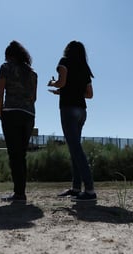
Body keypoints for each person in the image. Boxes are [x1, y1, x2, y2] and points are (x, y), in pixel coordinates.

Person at [48, 41, 96, 202]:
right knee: (75, 148)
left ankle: (89, 190)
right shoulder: (85, 68)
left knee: (76, 149)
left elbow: (62, 82)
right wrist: (65, 91)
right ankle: (76, 188)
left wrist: (53, 83)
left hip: (68, 109)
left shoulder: (64, 62)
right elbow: (89, 94)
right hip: (82, 111)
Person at [0, 41, 37, 202]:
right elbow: (34, 98)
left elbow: (0, 93)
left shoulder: (5, 67)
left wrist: (1, 113)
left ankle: (19, 194)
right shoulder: (33, 73)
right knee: (22, 155)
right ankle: (20, 192)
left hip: (11, 112)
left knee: (14, 154)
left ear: (9, 55)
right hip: (28, 114)